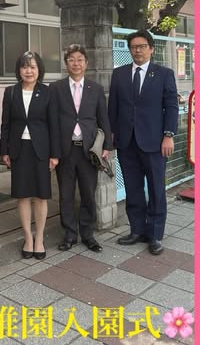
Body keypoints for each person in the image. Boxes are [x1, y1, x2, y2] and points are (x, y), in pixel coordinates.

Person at [108, 30, 178, 255]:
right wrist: (111, 136)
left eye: (142, 46)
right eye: (133, 47)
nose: (137, 50)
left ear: (151, 49)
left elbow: (171, 106)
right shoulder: (119, 74)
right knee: (133, 188)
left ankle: (155, 234)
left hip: (155, 143)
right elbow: (113, 108)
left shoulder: (164, 74)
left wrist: (168, 135)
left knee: (156, 188)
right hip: (126, 142)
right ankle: (137, 230)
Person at [51, 44, 112, 253]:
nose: (75, 63)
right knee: (66, 194)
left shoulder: (95, 89)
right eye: (71, 60)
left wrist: (107, 146)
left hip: (88, 151)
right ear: (66, 64)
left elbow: (103, 118)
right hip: (65, 149)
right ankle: (69, 234)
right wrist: (53, 151)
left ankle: (88, 234)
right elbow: (52, 122)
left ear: (86, 63)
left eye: (80, 60)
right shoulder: (56, 88)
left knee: (88, 193)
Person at [0, 51, 60, 259]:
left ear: (39, 70)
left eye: (33, 67)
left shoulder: (47, 92)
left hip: (41, 150)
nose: (29, 71)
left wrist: (55, 154)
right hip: (18, 149)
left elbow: (54, 125)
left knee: (41, 196)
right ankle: (28, 237)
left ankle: (40, 238)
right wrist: (4, 150)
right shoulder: (10, 92)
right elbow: (5, 124)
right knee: (23, 195)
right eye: (25, 67)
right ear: (19, 70)